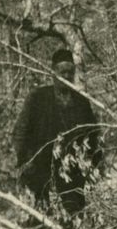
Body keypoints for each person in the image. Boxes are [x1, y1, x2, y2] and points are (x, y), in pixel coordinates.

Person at [12, 48, 102, 217]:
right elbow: (20, 131)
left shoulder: (81, 101)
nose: (67, 76)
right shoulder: (37, 97)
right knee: (41, 214)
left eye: (70, 72)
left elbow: (93, 133)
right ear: (53, 73)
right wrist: (25, 160)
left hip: (71, 169)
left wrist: (91, 162)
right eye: (62, 72)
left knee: (73, 213)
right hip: (40, 166)